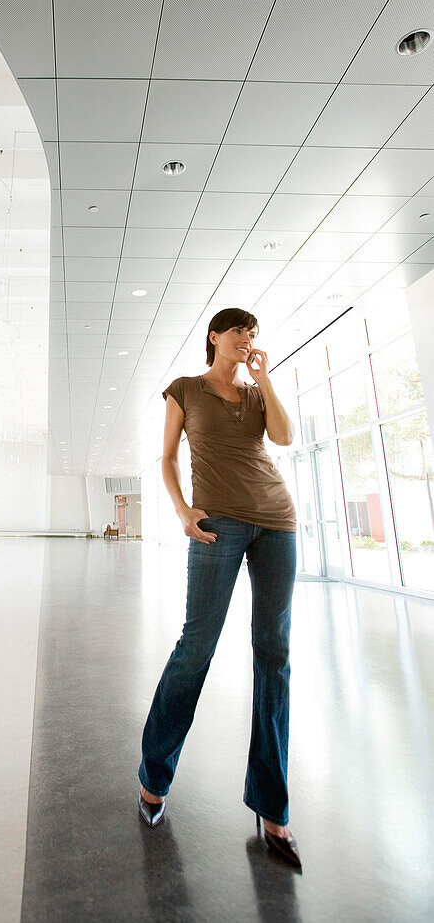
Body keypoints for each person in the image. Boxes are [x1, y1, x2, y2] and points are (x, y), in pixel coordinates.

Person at [137, 307, 302, 869]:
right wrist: (183, 510)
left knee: (274, 654)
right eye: (239, 331)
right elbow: (167, 457)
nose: (247, 339)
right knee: (196, 647)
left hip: (276, 520)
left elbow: (282, 437)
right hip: (217, 525)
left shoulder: (257, 394)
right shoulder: (185, 388)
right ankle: (153, 777)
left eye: (253, 332)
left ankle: (272, 806)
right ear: (214, 336)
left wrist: (265, 378)